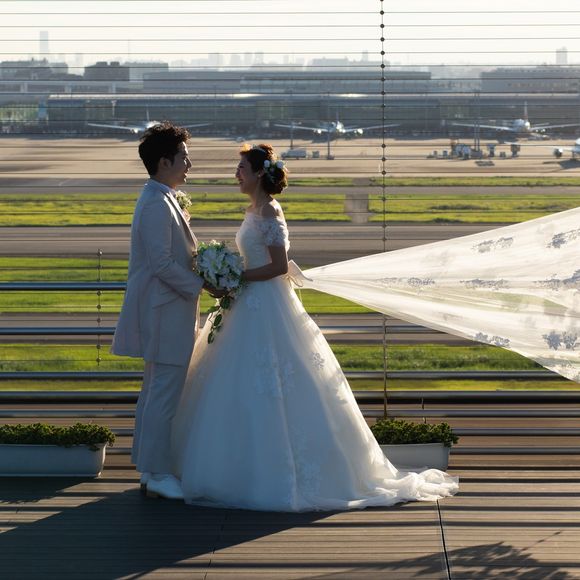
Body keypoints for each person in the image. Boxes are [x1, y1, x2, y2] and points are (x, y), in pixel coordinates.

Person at [170, 143, 459, 511]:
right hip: (248, 300)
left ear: (259, 173)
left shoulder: (270, 210)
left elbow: (278, 266)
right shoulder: (253, 209)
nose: (236, 174)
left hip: (266, 302)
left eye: (242, 168)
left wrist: (236, 276)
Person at [112, 122, 212, 500]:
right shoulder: (156, 203)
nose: (190, 164)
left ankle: (149, 467)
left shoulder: (162, 196)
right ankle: (156, 473)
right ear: (164, 161)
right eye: (184, 157)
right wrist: (204, 284)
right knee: (163, 396)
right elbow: (162, 265)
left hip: (167, 312)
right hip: (164, 314)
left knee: (156, 393)